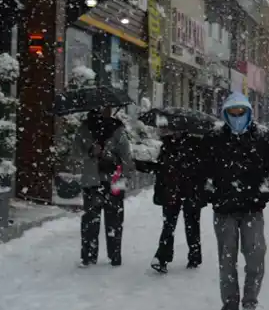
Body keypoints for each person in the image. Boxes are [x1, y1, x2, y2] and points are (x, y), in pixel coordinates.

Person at [197, 93, 269, 310]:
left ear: (248, 113)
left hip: (252, 209)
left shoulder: (263, 137)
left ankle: (250, 304)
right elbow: (202, 170)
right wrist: (211, 194)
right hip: (224, 210)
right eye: (232, 113)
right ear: (225, 113)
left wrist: (261, 195)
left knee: (255, 257)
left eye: (241, 112)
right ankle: (229, 308)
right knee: (227, 261)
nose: (237, 117)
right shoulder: (214, 138)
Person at [138, 128, 205, 273]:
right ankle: (162, 258)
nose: (175, 132)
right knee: (168, 226)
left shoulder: (195, 144)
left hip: (190, 191)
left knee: (192, 225)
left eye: (177, 129)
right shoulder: (166, 145)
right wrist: (144, 165)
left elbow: (201, 167)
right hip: (171, 191)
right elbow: (159, 166)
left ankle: (194, 256)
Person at [74, 105, 133, 267]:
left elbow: (125, 157)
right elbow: (76, 152)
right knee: (98, 220)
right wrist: (91, 151)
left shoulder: (115, 129)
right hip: (99, 180)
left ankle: (102, 255)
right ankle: (95, 255)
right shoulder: (85, 129)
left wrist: (103, 154)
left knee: (103, 219)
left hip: (108, 179)